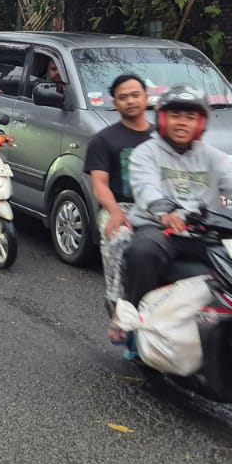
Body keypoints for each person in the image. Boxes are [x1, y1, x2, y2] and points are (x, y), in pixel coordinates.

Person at [121, 83, 232, 310]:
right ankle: (133, 317)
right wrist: (164, 211)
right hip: (160, 230)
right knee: (142, 252)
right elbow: (145, 186)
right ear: (162, 119)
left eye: (190, 117)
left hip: (202, 233)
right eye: (175, 115)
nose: (182, 122)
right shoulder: (146, 153)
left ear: (200, 123)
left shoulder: (212, 156)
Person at [85, 74, 153, 307]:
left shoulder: (161, 138)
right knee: (120, 239)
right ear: (115, 102)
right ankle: (118, 303)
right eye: (123, 97)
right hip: (120, 206)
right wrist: (115, 211)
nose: (131, 101)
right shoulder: (103, 140)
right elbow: (100, 184)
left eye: (136, 95)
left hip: (158, 209)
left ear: (147, 97)